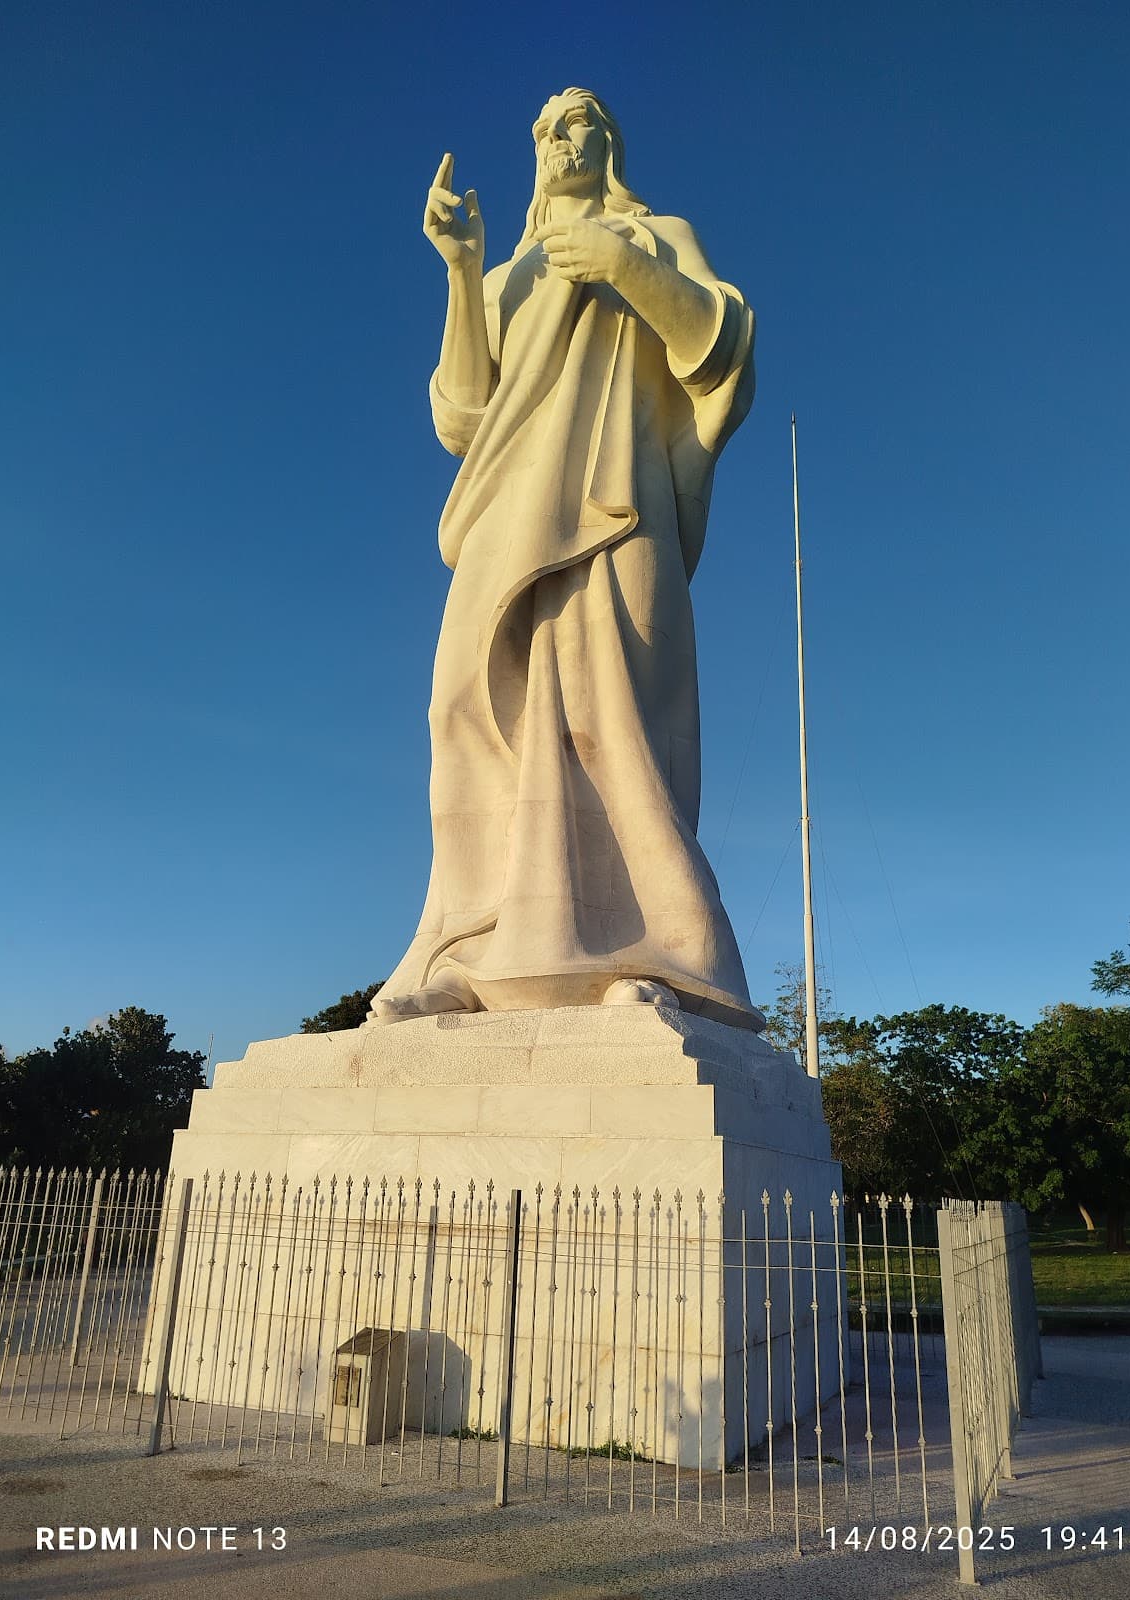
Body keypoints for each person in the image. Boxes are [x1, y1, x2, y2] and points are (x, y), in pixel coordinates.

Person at [370, 88, 763, 1032]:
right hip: (506, 513)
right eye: (543, 129)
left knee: (611, 717)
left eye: (576, 122)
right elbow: (464, 418)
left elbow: (723, 348)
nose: (557, 138)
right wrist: (464, 271)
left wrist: (628, 267)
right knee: (464, 713)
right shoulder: (509, 276)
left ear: (610, 142)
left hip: (618, 508)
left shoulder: (658, 234)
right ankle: (467, 948)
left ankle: (651, 956)